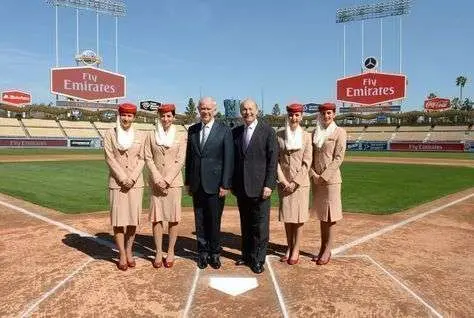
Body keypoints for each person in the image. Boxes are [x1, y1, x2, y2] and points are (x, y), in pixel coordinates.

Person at [185, 97, 234, 269]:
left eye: (208, 109)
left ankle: (215, 253)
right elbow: (189, 158)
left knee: (214, 220)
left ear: (214, 110)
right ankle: (202, 253)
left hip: (216, 184)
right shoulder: (192, 130)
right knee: (200, 220)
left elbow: (229, 159)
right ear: (198, 109)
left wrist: (225, 184)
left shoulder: (224, 130)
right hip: (197, 183)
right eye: (202, 108)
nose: (205, 111)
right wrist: (188, 182)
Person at [232, 98, 278, 274]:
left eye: (250, 109)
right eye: (244, 109)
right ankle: (246, 255)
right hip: (242, 187)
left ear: (257, 111)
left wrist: (269, 184)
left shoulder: (268, 131)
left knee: (260, 225)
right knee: (246, 223)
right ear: (241, 112)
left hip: (261, 188)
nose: (247, 112)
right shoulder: (236, 132)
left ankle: (258, 259)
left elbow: (273, 160)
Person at [104, 102, 146, 271]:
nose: (126, 118)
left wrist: (132, 178)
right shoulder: (110, 134)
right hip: (117, 183)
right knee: (119, 220)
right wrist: (123, 178)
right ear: (119, 116)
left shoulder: (141, 135)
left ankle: (129, 250)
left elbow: (143, 158)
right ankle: (121, 253)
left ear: (133, 117)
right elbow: (109, 158)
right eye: (124, 115)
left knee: (132, 220)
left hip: (135, 184)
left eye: (129, 116)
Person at [145, 104, 186, 269]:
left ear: (173, 117)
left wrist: (167, 180)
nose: (166, 119)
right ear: (159, 117)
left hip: (174, 182)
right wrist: (157, 177)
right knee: (157, 218)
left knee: (173, 218)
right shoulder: (151, 134)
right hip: (156, 182)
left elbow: (180, 160)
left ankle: (170, 251)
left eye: (169, 116)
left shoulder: (181, 135)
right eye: (163, 116)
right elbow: (148, 157)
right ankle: (158, 251)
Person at [310, 102, 347, 265]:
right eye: (324, 113)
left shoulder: (340, 132)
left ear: (334, 114)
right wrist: (313, 174)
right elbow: (309, 156)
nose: (326, 116)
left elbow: (338, 158)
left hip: (330, 181)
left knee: (330, 217)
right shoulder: (315, 132)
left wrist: (323, 176)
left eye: (329, 113)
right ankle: (322, 247)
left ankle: (327, 249)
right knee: (322, 216)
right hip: (316, 180)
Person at [276, 103, 312, 265]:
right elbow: (275, 161)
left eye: (297, 115)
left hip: (300, 184)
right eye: (291, 115)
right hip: (283, 183)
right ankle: (289, 247)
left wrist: (295, 182)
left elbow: (307, 162)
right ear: (287, 116)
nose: (294, 118)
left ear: (301, 117)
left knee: (298, 218)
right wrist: (283, 180)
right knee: (288, 217)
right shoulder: (279, 135)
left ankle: (296, 249)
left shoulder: (307, 136)